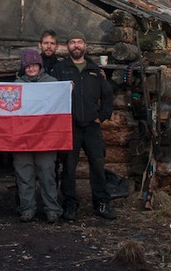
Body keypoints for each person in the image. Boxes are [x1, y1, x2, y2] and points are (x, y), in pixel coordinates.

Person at [52, 32, 117, 220]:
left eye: (79, 42)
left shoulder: (95, 69)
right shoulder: (60, 69)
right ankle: (70, 204)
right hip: (70, 126)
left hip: (92, 126)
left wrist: (102, 116)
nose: (76, 45)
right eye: (72, 42)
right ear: (67, 46)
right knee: (69, 166)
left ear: (85, 45)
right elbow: (51, 93)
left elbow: (108, 94)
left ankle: (102, 203)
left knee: (97, 164)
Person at [12, 49, 63, 223]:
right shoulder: (16, 86)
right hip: (22, 138)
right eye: (27, 66)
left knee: (47, 174)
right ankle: (27, 208)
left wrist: (66, 89)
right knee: (24, 174)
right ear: (23, 68)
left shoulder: (53, 83)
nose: (31, 68)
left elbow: (60, 104)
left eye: (34, 65)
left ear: (39, 65)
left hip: (45, 138)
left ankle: (52, 209)